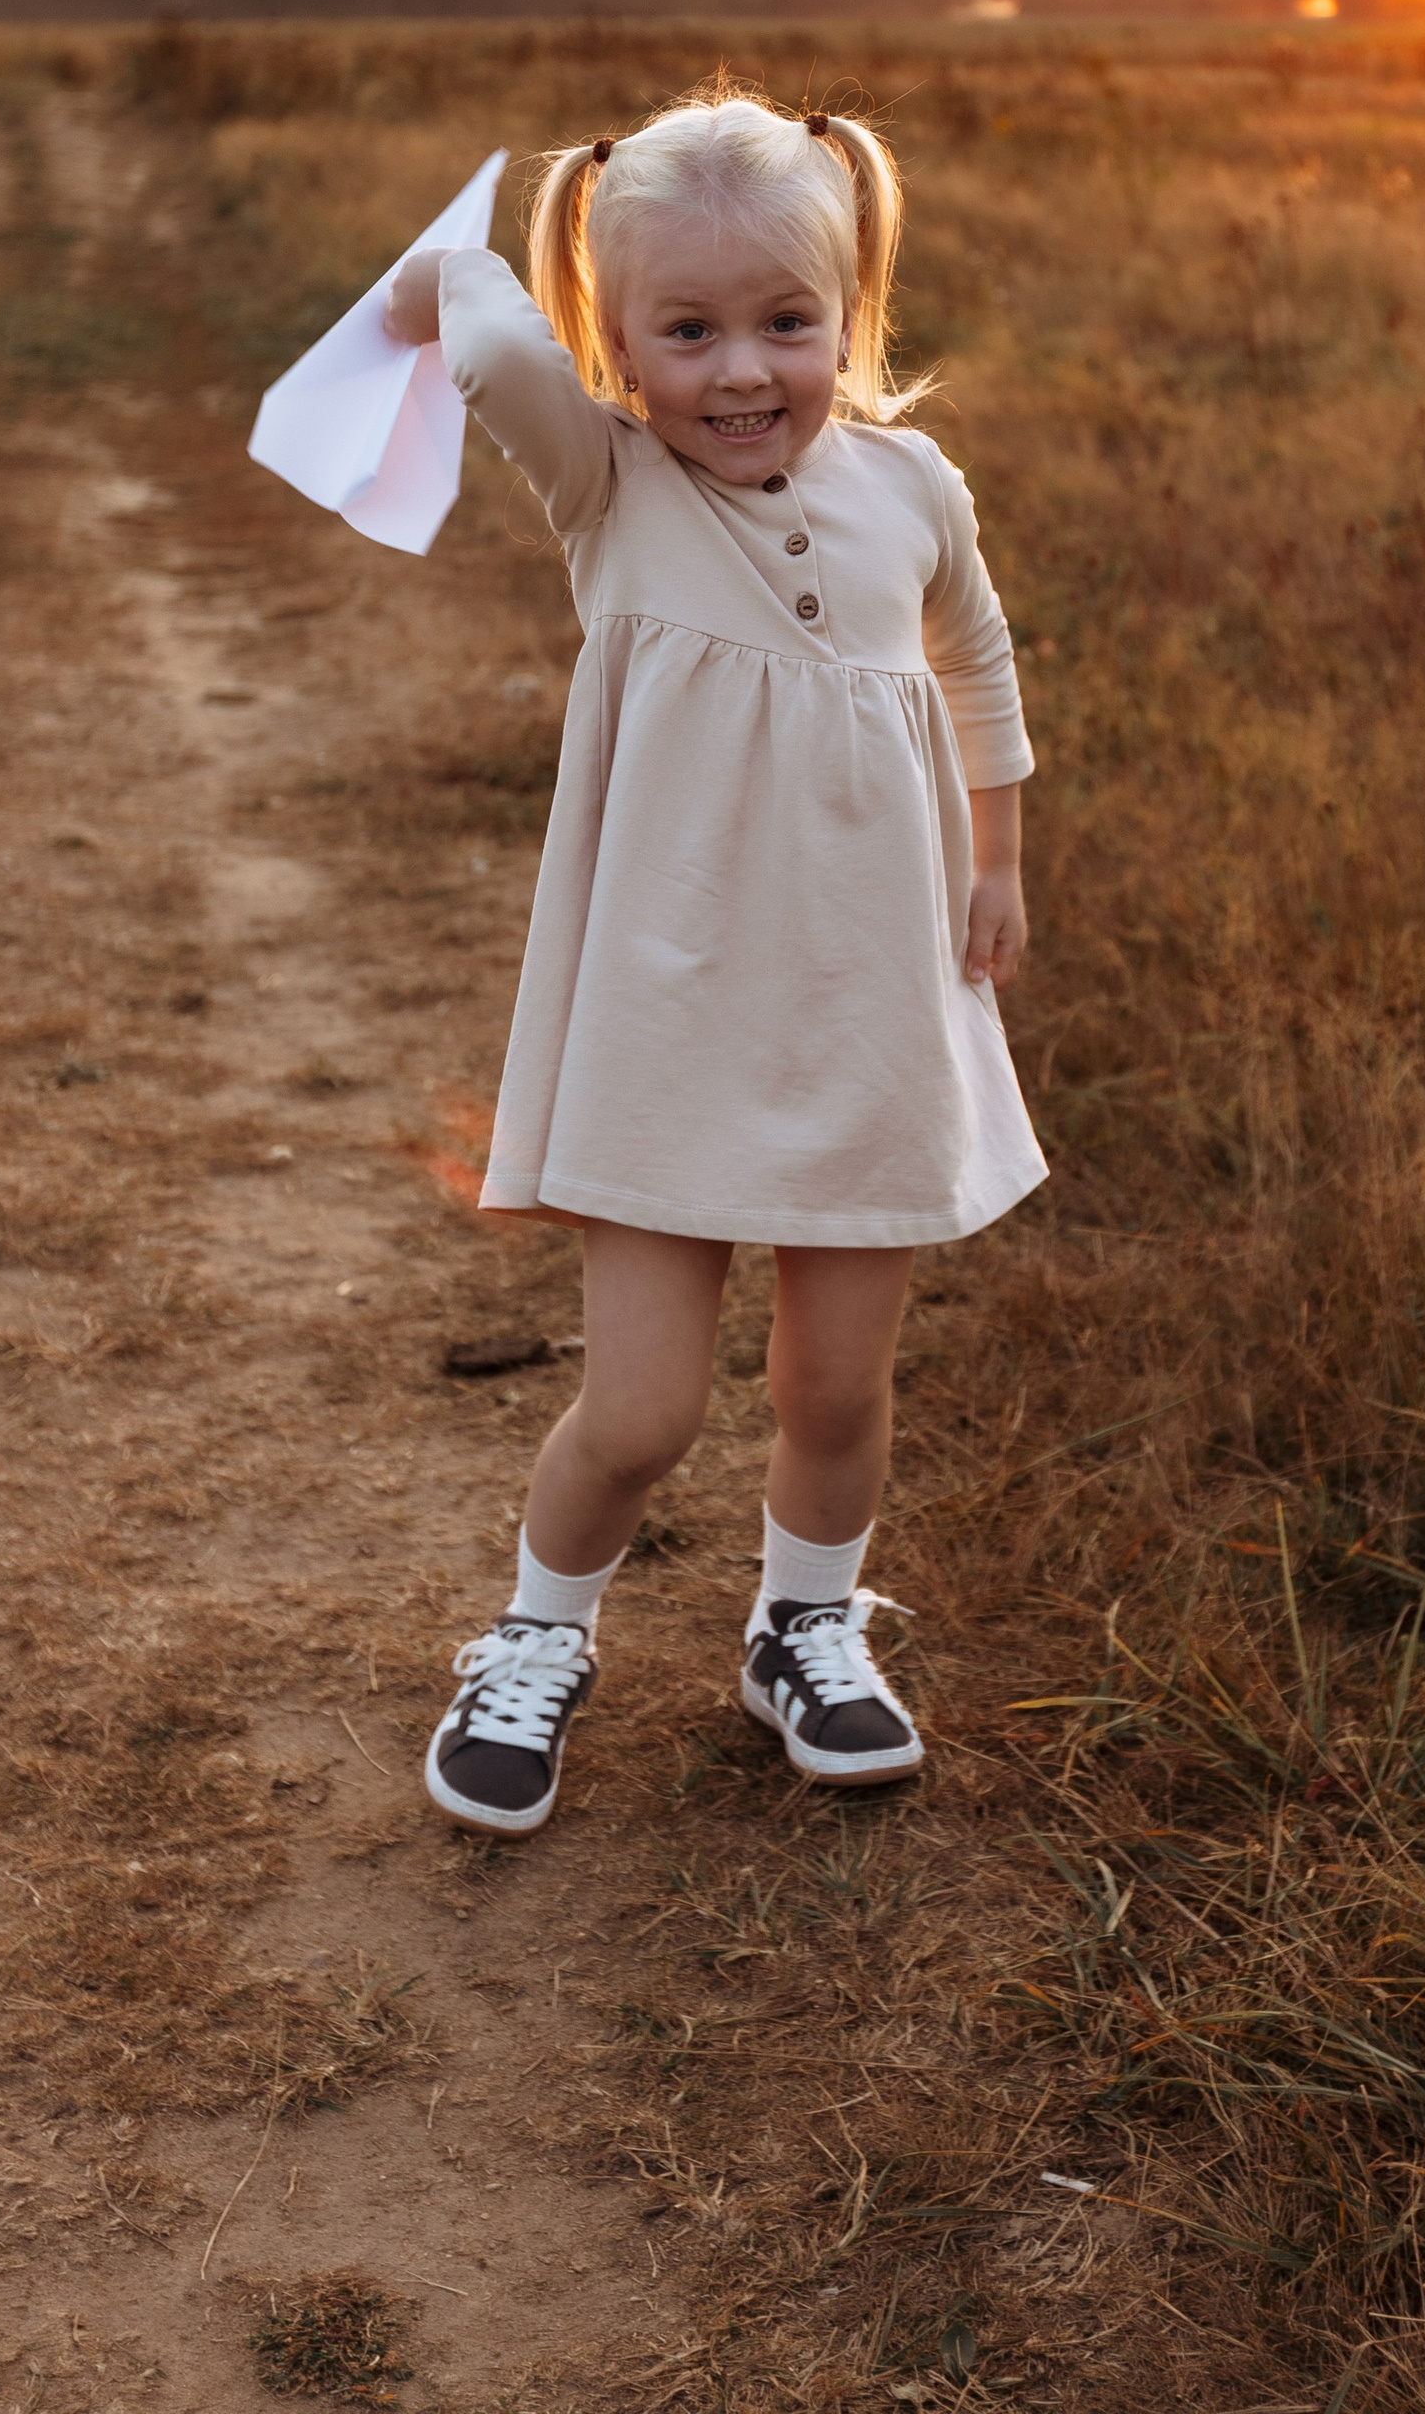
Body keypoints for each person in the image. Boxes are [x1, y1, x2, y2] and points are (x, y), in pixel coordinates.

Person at [380, 89, 1041, 1834]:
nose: (742, 373)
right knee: (645, 1405)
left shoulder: (913, 486)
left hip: (873, 1010)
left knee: (838, 1388)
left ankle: (802, 1629)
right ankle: (535, 1636)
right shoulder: (611, 486)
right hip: (667, 1016)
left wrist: (999, 857)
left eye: (786, 322)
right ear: (617, 340)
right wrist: (473, 261)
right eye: (686, 331)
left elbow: (977, 658)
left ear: (848, 311)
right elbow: (489, 332)